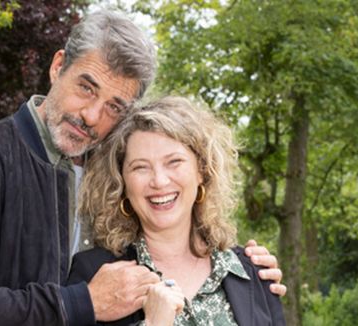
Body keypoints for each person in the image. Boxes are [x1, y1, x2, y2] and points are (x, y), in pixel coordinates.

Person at [0, 10, 285, 325]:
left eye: (114, 106)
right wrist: (85, 302)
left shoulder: (118, 167)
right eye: (86, 87)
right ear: (57, 66)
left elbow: (176, 226)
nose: (91, 116)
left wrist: (243, 271)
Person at [68, 96, 286, 325]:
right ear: (121, 182)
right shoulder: (95, 276)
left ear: (202, 170)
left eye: (174, 162)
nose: (159, 181)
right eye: (140, 167)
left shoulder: (252, 273)